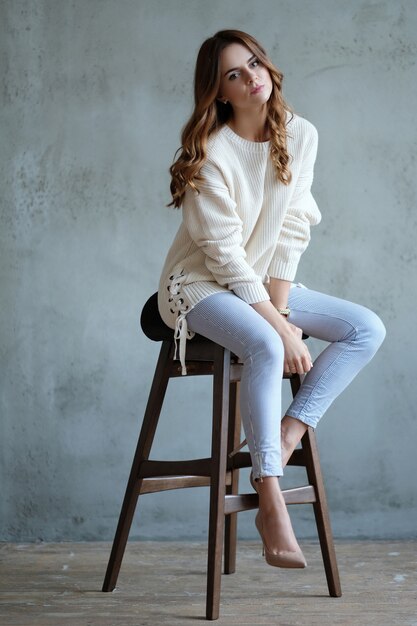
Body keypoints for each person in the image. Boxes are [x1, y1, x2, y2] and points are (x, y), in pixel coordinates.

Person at [157, 29, 386, 569]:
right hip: (195, 286)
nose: (252, 76)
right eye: (234, 74)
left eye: (254, 62)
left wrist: (282, 314)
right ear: (219, 92)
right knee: (264, 340)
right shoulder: (210, 154)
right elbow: (223, 257)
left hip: (258, 286)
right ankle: (270, 495)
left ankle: (284, 436)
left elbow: (291, 232)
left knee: (366, 328)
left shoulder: (299, 134)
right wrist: (280, 329)